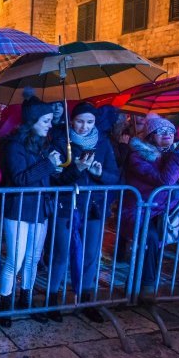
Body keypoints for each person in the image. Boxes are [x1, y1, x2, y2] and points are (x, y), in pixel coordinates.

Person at [49, 101, 120, 323]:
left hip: (94, 206)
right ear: (72, 120)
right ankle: (51, 301)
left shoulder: (104, 143)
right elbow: (56, 178)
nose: (84, 126)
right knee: (61, 253)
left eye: (89, 122)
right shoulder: (61, 141)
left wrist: (99, 174)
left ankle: (87, 299)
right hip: (67, 205)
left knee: (90, 254)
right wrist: (77, 168)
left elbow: (114, 176)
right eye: (80, 121)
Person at [122, 113, 179, 303]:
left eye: (171, 131)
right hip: (141, 210)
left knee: (154, 246)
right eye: (160, 131)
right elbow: (164, 180)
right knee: (150, 240)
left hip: (167, 211)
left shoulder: (175, 153)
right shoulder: (138, 155)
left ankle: (138, 286)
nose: (167, 134)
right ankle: (146, 287)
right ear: (150, 136)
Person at [0, 90, 61, 327]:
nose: (50, 125)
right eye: (45, 121)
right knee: (16, 258)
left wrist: (65, 168)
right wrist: (48, 165)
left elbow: (48, 177)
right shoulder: (15, 145)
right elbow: (20, 178)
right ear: (33, 121)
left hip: (39, 209)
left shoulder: (43, 145)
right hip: (19, 209)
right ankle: (4, 304)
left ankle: (26, 298)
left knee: (33, 258)